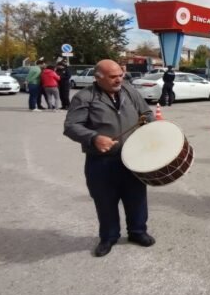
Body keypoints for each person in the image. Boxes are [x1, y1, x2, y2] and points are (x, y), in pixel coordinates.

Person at [63, 59, 156, 257]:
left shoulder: (129, 91)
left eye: (120, 75)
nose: (119, 79)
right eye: (113, 77)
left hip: (133, 159)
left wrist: (149, 124)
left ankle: (138, 232)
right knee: (105, 201)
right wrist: (93, 137)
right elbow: (71, 126)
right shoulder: (84, 97)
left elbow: (146, 112)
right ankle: (108, 237)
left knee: (137, 198)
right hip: (101, 162)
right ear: (99, 78)